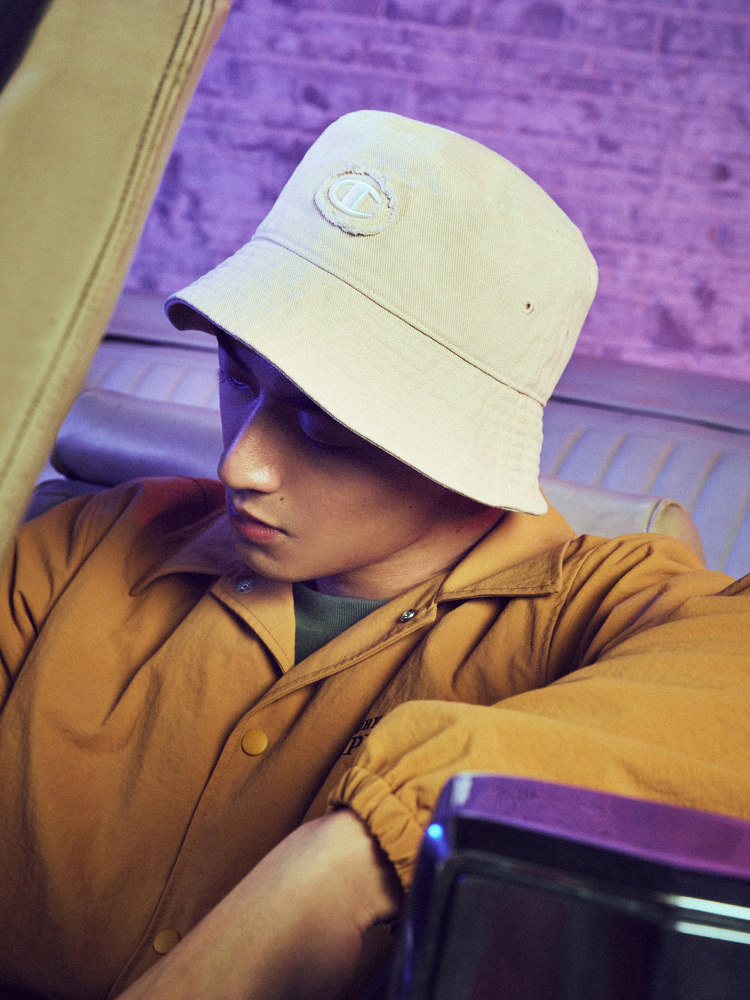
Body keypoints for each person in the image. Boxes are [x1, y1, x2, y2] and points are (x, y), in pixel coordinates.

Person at [0, 110, 748, 1000]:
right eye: (237, 374)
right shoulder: (91, 543)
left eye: (325, 422)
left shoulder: (609, 607)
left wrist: (366, 844)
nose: (240, 463)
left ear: (464, 438)